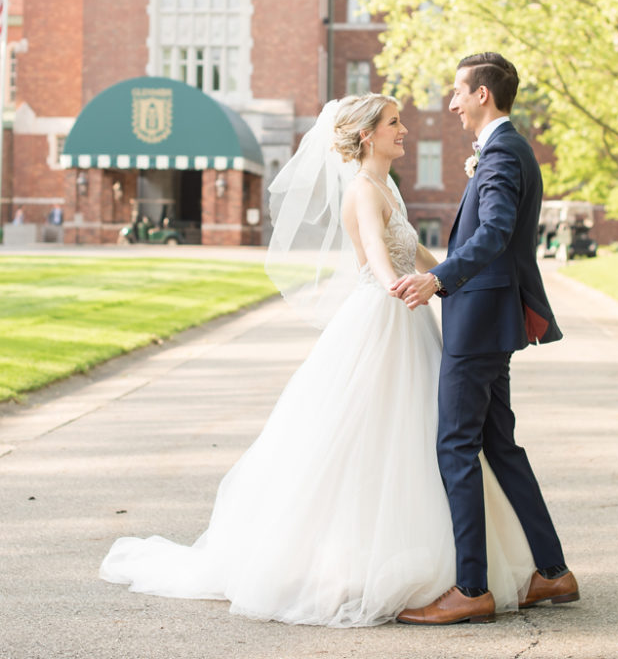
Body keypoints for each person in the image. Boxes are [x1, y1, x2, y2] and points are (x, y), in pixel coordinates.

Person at [100, 93, 535, 626]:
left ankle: (450, 565)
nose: (404, 130)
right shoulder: (360, 191)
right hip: (381, 318)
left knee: (425, 434)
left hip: (409, 316)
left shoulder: (389, 187)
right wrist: (403, 286)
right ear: (367, 135)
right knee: (369, 436)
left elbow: (416, 253)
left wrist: (445, 277)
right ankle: (356, 563)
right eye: (395, 123)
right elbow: (377, 255)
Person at [392, 53, 579, 625]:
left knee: (455, 444)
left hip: (477, 321)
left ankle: (471, 587)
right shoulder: (506, 149)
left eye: (457, 92)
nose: (450, 103)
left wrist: (438, 276)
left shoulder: (500, 153)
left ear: (482, 96)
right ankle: (552, 572)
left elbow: (495, 231)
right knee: (500, 446)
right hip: (489, 318)